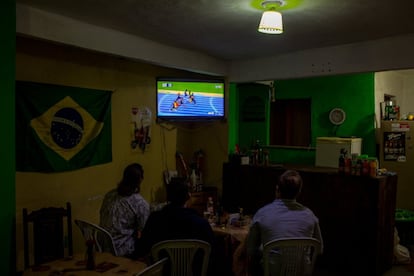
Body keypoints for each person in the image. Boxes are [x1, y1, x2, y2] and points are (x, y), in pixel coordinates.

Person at [245, 170, 323, 275]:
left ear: (277, 189)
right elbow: (320, 249)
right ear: (299, 192)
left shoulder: (262, 213)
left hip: (272, 272)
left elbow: (250, 249)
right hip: (301, 271)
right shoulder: (310, 216)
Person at [137, 178, 215, 274]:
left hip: (164, 273)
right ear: (188, 196)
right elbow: (213, 253)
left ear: (168, 196)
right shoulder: (201, 223)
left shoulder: (154, 219)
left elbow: (142, 248)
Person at [99, 163, 150, 258]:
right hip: (122, 250)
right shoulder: (140, 203)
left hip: (102, 246)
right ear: (140, 180)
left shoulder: (109, 195)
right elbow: (144, 229)